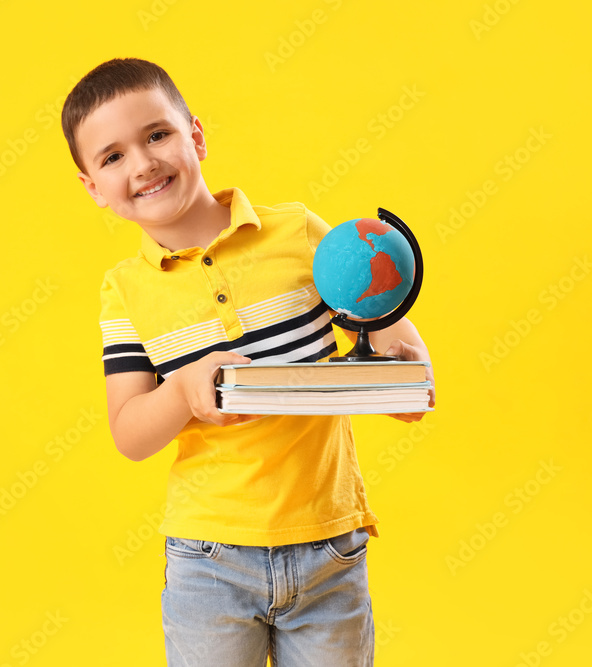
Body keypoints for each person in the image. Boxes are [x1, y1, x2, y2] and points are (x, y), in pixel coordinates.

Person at [60, 58, 435, 666]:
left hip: (329, 546)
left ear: (196, 136)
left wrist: (402, 375)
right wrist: (182, 390)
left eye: (158, 135)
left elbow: (400, 353)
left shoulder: (299, 234)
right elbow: (129, 433)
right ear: (93, 188)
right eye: (112, 157)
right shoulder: (126, 291)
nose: (143, 163)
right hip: (209, 561)